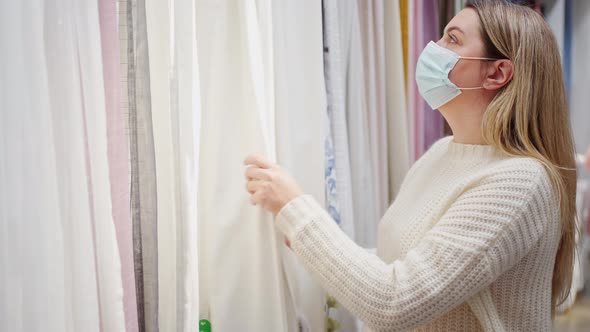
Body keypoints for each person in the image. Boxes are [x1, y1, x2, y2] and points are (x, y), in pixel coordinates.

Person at [243, 0, 577, 331]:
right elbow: (407, 263)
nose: (433, 48)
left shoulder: (519, 182)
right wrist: (313, 242)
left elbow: (395, 302)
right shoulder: (442, 152)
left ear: (497, 72)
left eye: (452, 39)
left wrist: (296, 209)